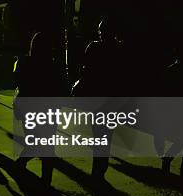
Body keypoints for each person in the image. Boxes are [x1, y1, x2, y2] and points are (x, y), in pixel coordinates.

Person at [74, 18, 127, 182]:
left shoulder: (94, 47)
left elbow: (85, 70)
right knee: (106, 135)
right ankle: (100, 170)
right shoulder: (118, 49)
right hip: (112, 99)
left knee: (98, 134)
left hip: (96, 98)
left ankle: (98, 169)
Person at [15, 32, 68, 185]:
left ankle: (22, 163)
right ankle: (46, 179)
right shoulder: (54, 65)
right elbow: (61, 88)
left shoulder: (25, 62)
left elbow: (20, 83)